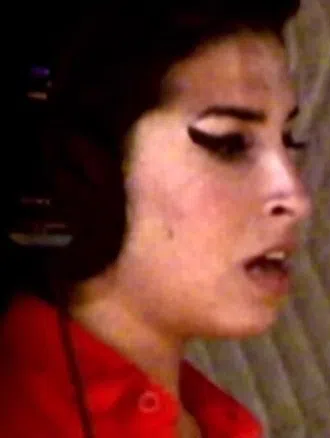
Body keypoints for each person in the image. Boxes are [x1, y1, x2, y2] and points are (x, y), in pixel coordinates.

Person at [0, 1, 312, 437]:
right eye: (229, 143)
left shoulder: (218, 421)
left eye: (288, 140)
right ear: (80, 172)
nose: (296, 199)